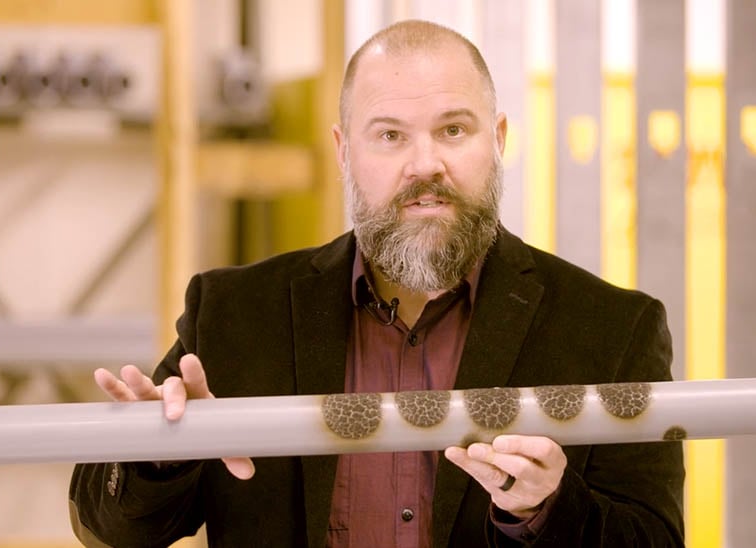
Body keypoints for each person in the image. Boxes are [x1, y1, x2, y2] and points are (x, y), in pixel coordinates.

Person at [69, 19, 684, 548]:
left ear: (497, 141)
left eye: (453, 130)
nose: (425, 164)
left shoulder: (613, 328)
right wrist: (160, 454)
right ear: (343, 152)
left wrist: (548, 509)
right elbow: (106, 529)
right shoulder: (233, 313)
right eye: (390, 134)